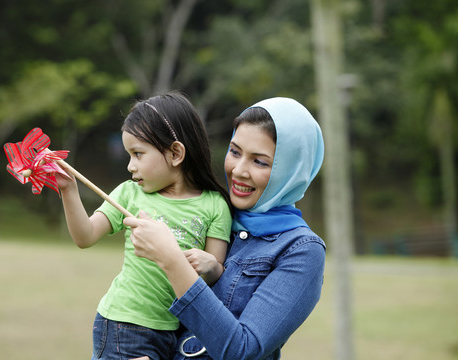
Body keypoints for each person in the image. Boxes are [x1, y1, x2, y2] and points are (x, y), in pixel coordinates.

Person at [124, 97, 326, 359]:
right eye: (235, 151)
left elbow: (242, 350)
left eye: (260, 162)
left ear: (290, 170)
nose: (238, 170)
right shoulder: (213, 216)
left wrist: (172, 261)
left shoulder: (301, 251)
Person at [56, 92, 232, 360]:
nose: (130, 166)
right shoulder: (130, 193)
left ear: (175, 153)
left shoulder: (215, 205)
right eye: (129, 154)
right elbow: (86, 236)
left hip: (175, 331)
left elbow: (214, 278)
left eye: (138, 154)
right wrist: (69, 190)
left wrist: (212, 266)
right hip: (123, 325)